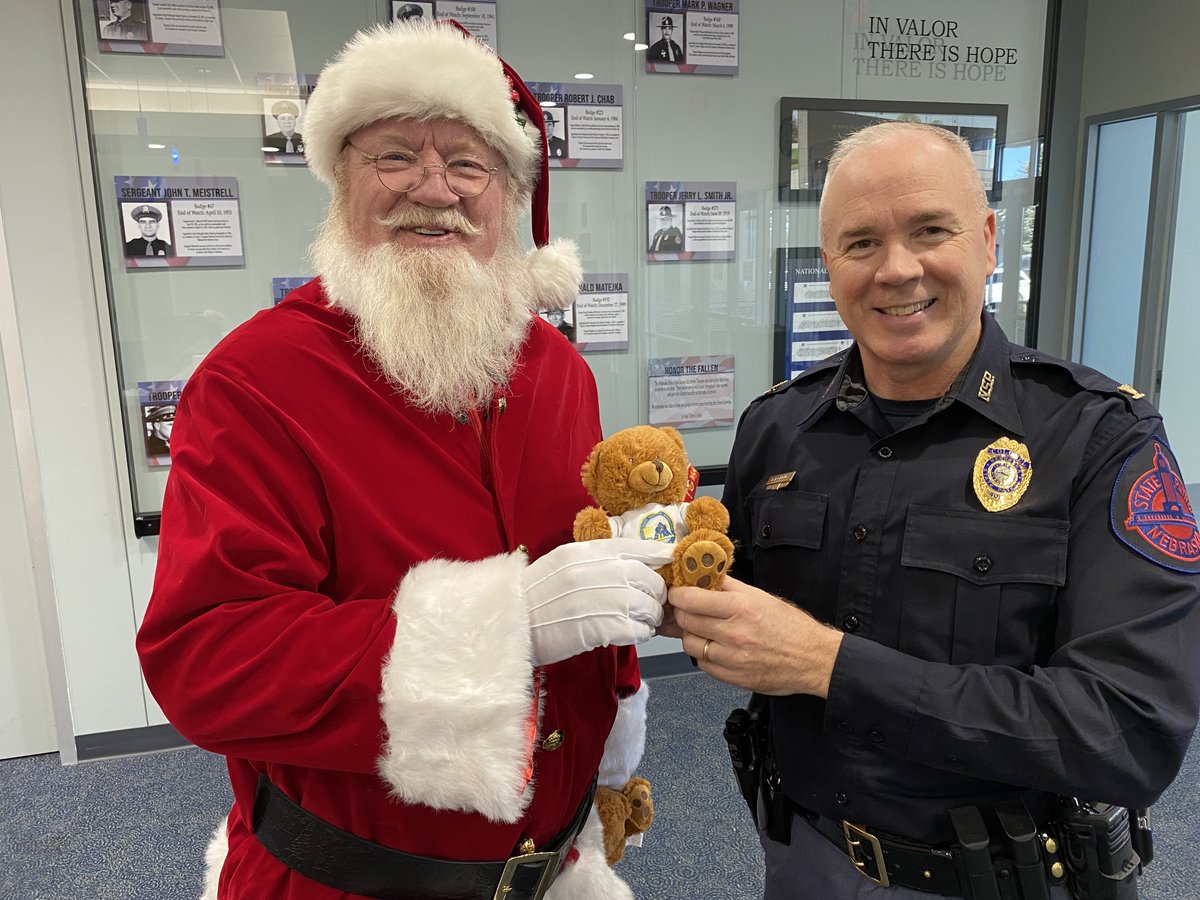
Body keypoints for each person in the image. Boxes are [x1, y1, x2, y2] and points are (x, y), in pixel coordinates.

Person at [136, 20, 673, 900]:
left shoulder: (561, 374)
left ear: (510, 193)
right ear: (340, 179)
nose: (435, 189)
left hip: (559, 865)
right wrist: (503, 629)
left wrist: (613, 759)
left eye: (469, 164)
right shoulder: (253, 382)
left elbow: (588, 578)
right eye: (394, 155)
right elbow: (208, 660)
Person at [665, 122, 1200, 899]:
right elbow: (736, 614)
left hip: (997, 879)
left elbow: (1130, 732)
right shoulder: (777, 428)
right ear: (830, 266)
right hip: (801, 857)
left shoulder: (1097, 437)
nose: (897, 270)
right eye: (860, 244)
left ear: (987, 241)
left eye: (929, 231)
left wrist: (828, 665)